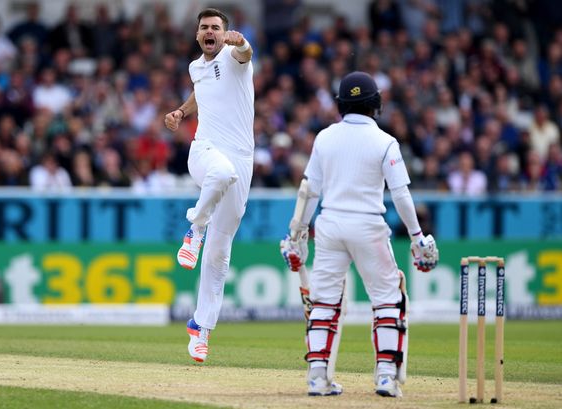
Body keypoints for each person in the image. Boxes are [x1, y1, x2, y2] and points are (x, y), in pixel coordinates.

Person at [280, 71, 439, 398]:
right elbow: (401, 195)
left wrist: (297, 233)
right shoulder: (385, 142)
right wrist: (417, 236)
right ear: (376, 104)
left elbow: (309, 191)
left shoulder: (324, 137)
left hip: (330, 225)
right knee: (387, 301)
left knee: (323, 302)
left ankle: (317, 378)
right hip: (368, 226)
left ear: (341, 104)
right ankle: (384, 377)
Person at [164, 8, 254, 363]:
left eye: (216, 27)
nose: (210, 31)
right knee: (219, 174)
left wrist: (242, 41)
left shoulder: (236, 56)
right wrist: (181, 113)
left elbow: (246, 53)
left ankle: (200, 329)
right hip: (205, 149)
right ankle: (195, 226)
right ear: (198, 35)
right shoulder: (195, 67)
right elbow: (200, 92)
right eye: (205, 28)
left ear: (226, 33)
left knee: (220, 251)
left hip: (242, 157)